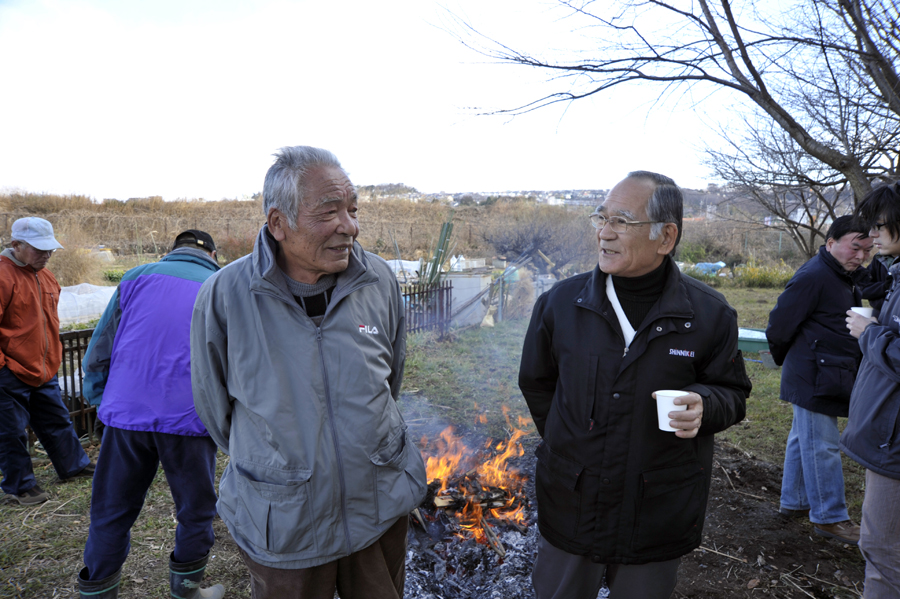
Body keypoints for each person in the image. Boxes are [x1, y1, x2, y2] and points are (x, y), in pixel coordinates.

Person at [190, 146, 427, 599]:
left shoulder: (377, 280)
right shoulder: (226, 296)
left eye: (353, 210)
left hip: (376, 506)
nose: (350, 226)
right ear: (278, 224)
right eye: (329, 212)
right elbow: (216, 409)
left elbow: (388, 381)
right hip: (286, 522)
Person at [519, 171, 751, 599]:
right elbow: (538, 385)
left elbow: (733, 392)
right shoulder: (560, 306)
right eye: (601, 218)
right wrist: (567, 445)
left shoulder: (710, 315)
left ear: (666, 237)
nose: (605, 233)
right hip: (573, 501)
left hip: (656, 509)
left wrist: (705, 404)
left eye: (622, 221)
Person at [75, 230, 224, 599]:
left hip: (126, 415)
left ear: (169, 252)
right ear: (213, 254)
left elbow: (102, 341)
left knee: (111, 511)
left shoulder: (136, 276)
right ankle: (187, 592)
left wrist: (98, 395)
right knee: (195, 510)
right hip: (191, 417)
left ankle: (97, 592)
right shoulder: (221, 285)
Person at [765, 215, 872, 544]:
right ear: (830, 243)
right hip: (813, 373)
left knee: (804, 439)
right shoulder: (815, 275)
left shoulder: (841, 274)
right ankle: (830, 518)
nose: (861, 256)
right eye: (855, 248)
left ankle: (794, 502)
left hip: (826, 371)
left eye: (867, 250)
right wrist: (793, 365)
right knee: (822, 446)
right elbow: (779, 324)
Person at [0, 217, 93, 506]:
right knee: (12, 431)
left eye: (50, 249)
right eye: (39, 249)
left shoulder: (47, 277)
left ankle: (73, 466)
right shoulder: (3, 276)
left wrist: (51, 358)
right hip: (10, 369)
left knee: (57, 420)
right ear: (16, 245)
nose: (47, 255)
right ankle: (20, 486)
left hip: (44, 368)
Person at [843, 181, 900, 598]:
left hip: (892, 446)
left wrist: (870, 334)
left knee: (881, 550)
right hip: (885, 438)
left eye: (880, 225)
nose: (872, 235)